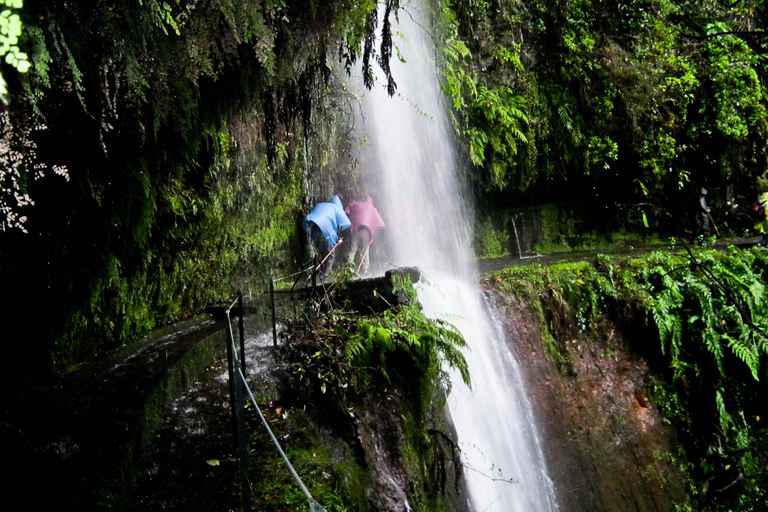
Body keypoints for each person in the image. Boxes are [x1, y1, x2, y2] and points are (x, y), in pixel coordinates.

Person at [303, 195, 351, 279]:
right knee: (330, 254)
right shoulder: (337, 208)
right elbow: (344, 223)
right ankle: (325, 276)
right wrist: (338, 239)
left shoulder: (322, 205)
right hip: (323, 228)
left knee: (323, 252)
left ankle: (320, 273)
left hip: (312, 228)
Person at [344, 195, 386, 275]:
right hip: (366, 232)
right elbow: (382, 224)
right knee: (364, 252)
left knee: (352, 250)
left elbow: (348, 208)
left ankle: (348, 267)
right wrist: (373, 232)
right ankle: (366, 270)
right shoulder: (373, 209)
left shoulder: (357, 204)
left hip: (356, 230)